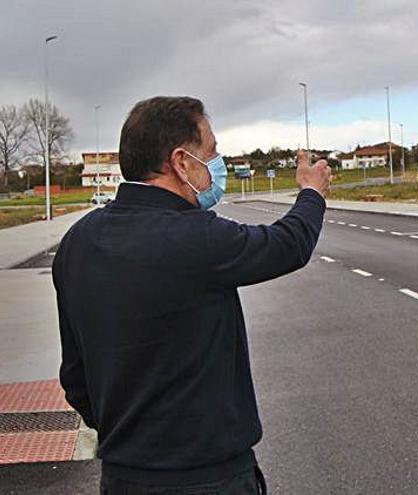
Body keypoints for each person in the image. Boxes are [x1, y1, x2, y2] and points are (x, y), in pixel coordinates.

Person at [52, 96, 331, 494]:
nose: (217, 166)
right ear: (181, 162)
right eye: (212, 153)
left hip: (123, 477)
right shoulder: (196, 236)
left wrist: (129, 434)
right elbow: (288, 244)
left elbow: (75, 377)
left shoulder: (78, 242)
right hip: (208, 478)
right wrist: (311, 192)